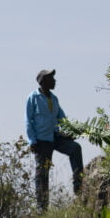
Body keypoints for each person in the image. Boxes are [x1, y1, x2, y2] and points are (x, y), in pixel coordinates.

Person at [26, 69, 83, 208]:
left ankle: (79, 186)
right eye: (52, 79)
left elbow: (62, 117)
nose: (55, 81)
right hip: (41, 140)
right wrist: (32, 141)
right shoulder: (33, 98)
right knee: (42, 174)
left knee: (75, 148)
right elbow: (28, 120)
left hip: (55, 136)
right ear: (44, 81)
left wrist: (71, 130)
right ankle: (42, 208)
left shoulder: (54, 98)